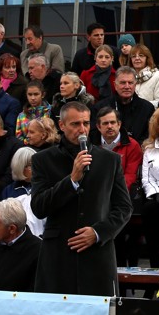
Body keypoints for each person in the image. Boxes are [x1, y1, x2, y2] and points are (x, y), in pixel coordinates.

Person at [30, 101, 133, 296]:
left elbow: (124, 208)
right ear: (61, 125)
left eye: (86, 123)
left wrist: (97, 232)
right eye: (75, 124)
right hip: (59, 254)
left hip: (97, 253)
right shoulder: (43, 160)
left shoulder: (109, 160)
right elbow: (39, 206)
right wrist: (72, 180)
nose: (82, 129)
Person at [97, 66, 155, 143]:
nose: (127, 87)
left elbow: (150, 136)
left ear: (135, 85)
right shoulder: (100, 107)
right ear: (115, 85)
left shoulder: (147, 108)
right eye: (123, 83)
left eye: (130, 83)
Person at [20, 24, 64, 90]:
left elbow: (58, 72)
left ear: (40, 38)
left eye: (30, 39)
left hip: (50, 89)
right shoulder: (23, 54)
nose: (27, 42)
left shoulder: (54, 49)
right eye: (26, 39)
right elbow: (24, 76)